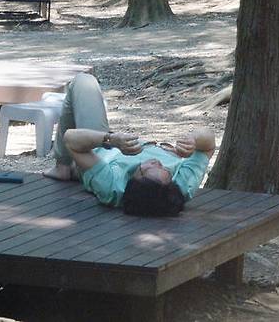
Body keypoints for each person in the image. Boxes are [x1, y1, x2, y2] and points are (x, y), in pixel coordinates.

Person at [43, 73, 215, 217]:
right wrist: (194, 139)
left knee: (83, 81)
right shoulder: (182, 186)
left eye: (147, 168)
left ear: (133, 181)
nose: (156, 161)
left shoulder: (112, 186)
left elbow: (71, 139)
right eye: (166, 170)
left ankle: (63, 166)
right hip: (116, 140)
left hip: (94, 146)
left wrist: (111, 140)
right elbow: (208, 144)